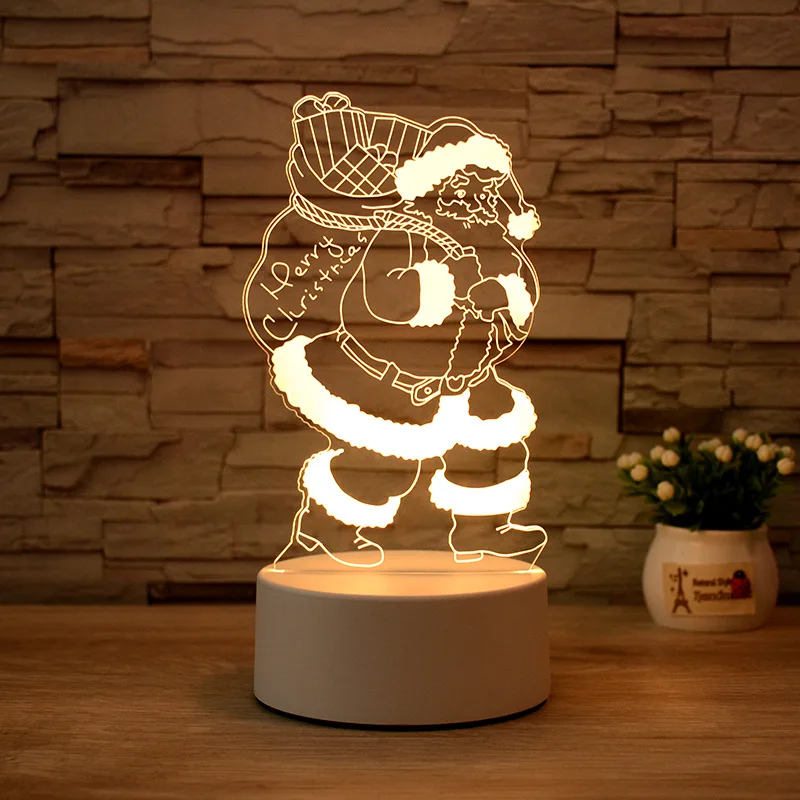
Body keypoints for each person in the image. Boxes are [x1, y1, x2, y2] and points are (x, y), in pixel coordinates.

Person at [243, 92, 547, 569]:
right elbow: (377, 298)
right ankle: (325, 536)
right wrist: (443, 288)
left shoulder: (497, 245)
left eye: (487, 191)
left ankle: (485, 532)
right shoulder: (402, 234)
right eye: (464, 189)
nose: (478, 201)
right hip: (387, 383)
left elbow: (518, 303)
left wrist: (505, 298)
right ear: (436, 189)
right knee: (379, 468)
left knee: (490, 451)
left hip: (467, 382)